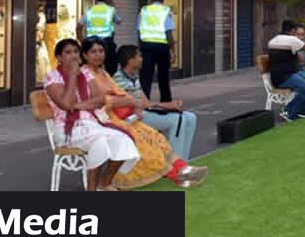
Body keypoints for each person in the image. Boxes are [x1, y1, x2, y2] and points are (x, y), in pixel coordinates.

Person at [80, 40, 206, 188]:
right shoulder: (85, 74)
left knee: (153, 135)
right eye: (93, 52)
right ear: (85, 55)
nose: (98, 55)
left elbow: (121, 94)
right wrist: (131, 102)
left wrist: (130, 102)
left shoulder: (103, 73)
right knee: (141, 139)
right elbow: (104, 100)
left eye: (101, 51)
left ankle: (182, 167)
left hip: (117, 115)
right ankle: (176, 175)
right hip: (99, 119)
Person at [42, 39, 139, 191]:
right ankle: (91, 190)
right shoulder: (52, 77)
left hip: (91, 124)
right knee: (99, 141)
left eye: (75, 52)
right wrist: (73, 76)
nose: (73, 56)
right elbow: (66, 104)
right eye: (68, 52)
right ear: (59, 58)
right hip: (68, 129)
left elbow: (100, 100)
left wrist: (77, 106)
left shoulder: (85, 73)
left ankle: (104, 183)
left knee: (123, 139)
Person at [113, 44, 199, 161]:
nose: (142, 59)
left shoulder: (133, 77)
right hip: (133, 117)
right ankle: (174, 165)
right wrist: (168, 105)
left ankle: (183, 160)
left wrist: (169, 106)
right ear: (130, 60)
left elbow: (146, 103)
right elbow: (136, 104)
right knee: (178, 119)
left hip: (143, 113)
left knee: (190, 117)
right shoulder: (119, 78)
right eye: (139, 56)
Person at [268, 20, 305, 120]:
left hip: (276, 77)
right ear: (292, 30)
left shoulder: (272, 40)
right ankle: (288, 111)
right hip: (286, 77)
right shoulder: (292, 40)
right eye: (295, 32)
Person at [138, 0, 175, 102]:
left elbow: (139, 31)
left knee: (145, 77)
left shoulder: (144, 11)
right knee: (163, 77)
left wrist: (141, 47)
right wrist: (172, 51)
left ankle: (144, 103)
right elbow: (169, 34)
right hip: (162, 48)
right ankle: (166, 102)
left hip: (146, 47)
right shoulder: (165, 11)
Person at [81, 0, 120, 73]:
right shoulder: (111, 10)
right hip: (107, 43)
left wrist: (82, 40)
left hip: (91, 43)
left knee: (92, 67)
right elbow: (118, 21)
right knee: (111, 67)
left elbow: (79, 26)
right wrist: (113, 6)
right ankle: (108, 84)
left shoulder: (89, 10)